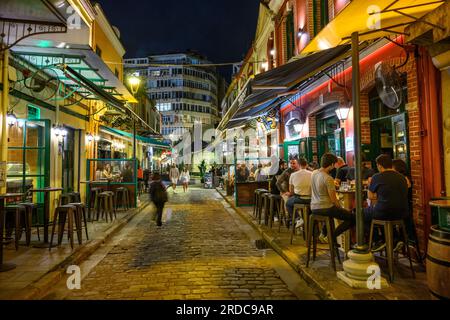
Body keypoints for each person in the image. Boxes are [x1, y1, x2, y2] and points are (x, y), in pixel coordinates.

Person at [364, 155, 410, 251]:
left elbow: (370, 196)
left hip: (384, 212)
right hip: (402, 213)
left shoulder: (377, 177)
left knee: (361, 213)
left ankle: (378, 240)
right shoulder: (402, 178)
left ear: (379, 166)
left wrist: (379, 194)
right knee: (383, 210)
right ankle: (394, 240)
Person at [310, 153, 355, 247]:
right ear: (331, 165)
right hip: (326, 207)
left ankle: (328, 236)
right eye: (334, 164)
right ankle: (332, 236)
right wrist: (341, 208)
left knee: (335, 214)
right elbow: (333, 200)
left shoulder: (314, 173)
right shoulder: (328, 178)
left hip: (314, 207)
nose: (334, 167)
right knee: (352, 218)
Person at [286, 158, 312, 228]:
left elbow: (291, 191)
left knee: (288, 203)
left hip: (299, 198)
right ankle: (310, 224)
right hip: (311, 200)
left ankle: (298, 219)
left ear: (299, 165)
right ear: (306, 165)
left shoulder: (293, 175)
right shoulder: (312, 174)